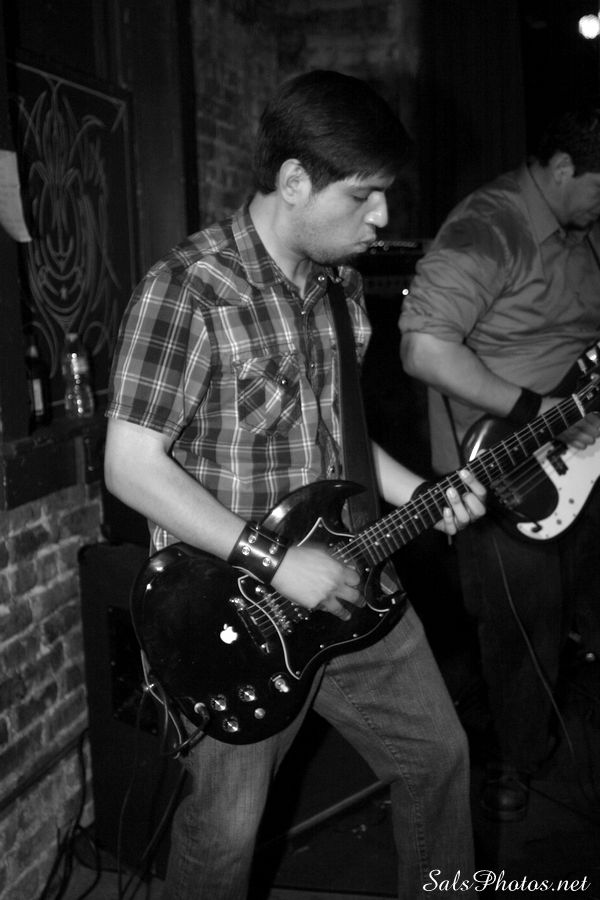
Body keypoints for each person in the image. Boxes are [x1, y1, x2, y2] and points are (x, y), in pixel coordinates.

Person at [104, 69, 487, 899]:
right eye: (363, 195)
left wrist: (422, 492)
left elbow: (340, 436)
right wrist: (275, 562)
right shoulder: (189, 291)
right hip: (233, 615)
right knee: (225, 838)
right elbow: (130, 464)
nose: (382, 217)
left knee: (439, 759)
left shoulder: (338, 287)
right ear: (293, 181)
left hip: (351, 580)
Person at [400, 102, 600, 824]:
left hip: (587, 454)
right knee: (521, 632)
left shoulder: (584, 232)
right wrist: (539, 409)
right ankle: (514, 764)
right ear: (562, 167)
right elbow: (424, 349)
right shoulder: (489, 226)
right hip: (507, 472)